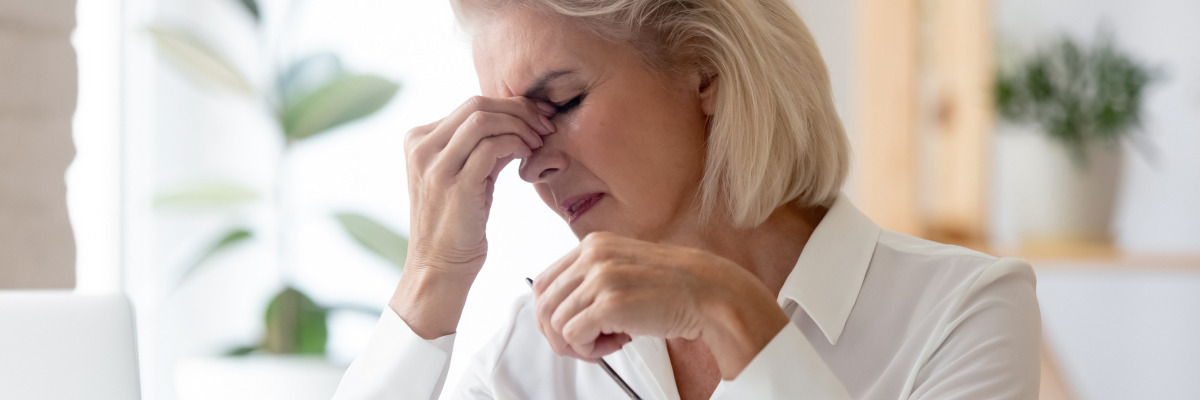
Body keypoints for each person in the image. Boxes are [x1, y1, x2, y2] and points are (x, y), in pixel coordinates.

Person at [332, 0, 1041, 398]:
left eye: (563, 100)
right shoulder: (535, 355)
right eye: (512, 127)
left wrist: (733, 317)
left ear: (704, 69)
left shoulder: (962, 310)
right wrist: (432, 274)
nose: (531, 165)